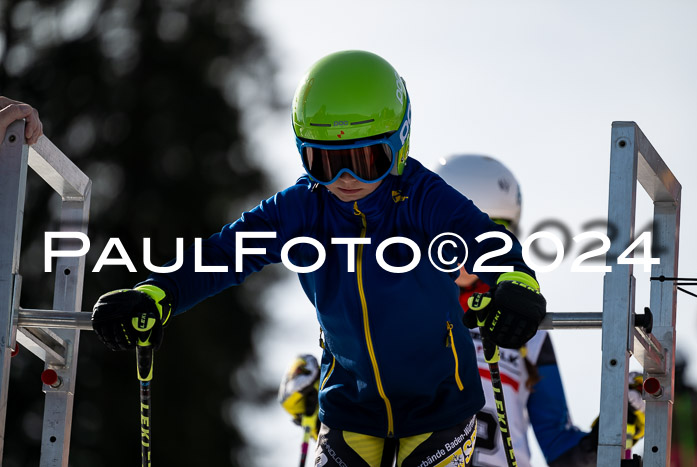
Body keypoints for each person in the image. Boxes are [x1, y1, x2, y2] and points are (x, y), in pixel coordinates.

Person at [91, 50, 547, 467]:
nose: (345, 179)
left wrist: (517, 281)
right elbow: (224, 254)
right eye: (323, 162)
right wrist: (157, 293)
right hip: (350, 406)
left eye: (367, 160)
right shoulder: (303, 207)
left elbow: (486, 241)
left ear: (400, 142)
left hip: (440, 408)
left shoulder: (423, 197)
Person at [435, 154, 645, 466]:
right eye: (457, 236)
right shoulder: (407, 316)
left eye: (491, 236)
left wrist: (622, 422)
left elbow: (561, 448)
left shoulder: (526, 333)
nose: (474, 250)